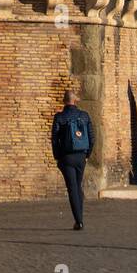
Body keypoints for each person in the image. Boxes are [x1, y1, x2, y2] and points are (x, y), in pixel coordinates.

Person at [51, 89, 95, 230]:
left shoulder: (59, 117)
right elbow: (92, 138)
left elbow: (54, 140)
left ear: (64, 101)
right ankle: (80, 217)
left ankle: (79, 220)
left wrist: (57, 157)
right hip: (81, 156)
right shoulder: (84, 116)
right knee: (78, 185)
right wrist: (87, 155)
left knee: (72, 188)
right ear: (75, 100)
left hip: (67, 157)